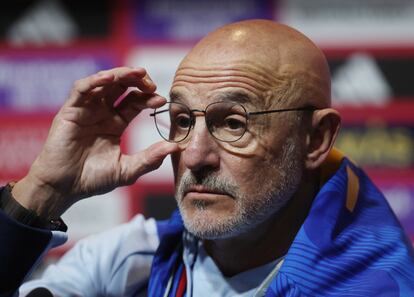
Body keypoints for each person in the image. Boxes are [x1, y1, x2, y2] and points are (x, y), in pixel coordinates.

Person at [1, 19, 414, 297]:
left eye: (233, 123)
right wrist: (43, 192)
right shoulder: (133, 260)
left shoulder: (383, 284)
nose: (194, 155)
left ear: (314, 139)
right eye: (182, 120)